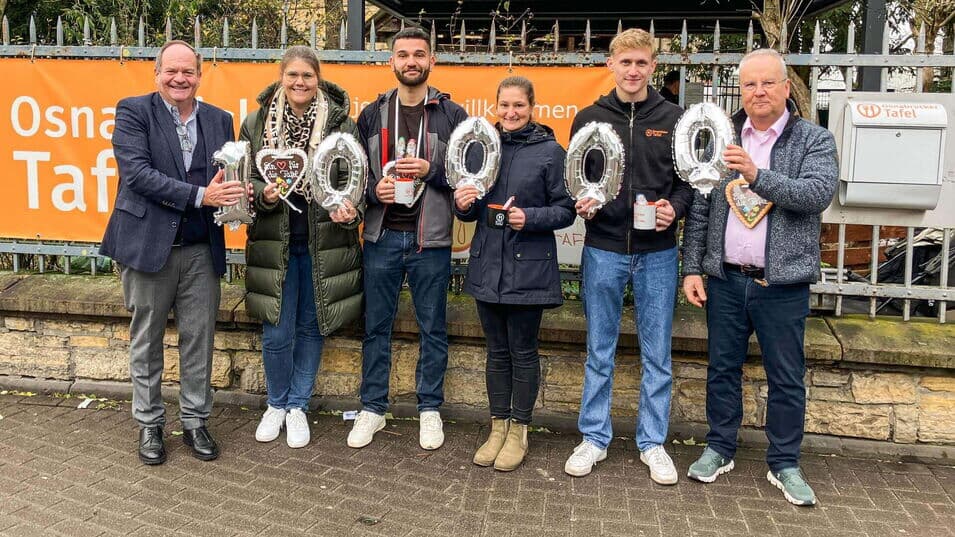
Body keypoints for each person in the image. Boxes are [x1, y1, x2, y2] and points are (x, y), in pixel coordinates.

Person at [681, 48, 838, 506]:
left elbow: (816, 194)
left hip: (782, 284)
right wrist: (693, 266)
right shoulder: (725, 136)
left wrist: (757, 174)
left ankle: (785, 462)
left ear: (786, 88)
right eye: (750, 84)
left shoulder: (813, 139)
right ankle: (719, 448)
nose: (759, 92)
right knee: (722, 369)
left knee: (786, 376)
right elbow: (703, 204)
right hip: (727, 280)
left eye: (768, 83)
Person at [101, 40, 244, 465]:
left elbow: (229, 177)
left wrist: (240, 195)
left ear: (200, 75)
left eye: (189, 72)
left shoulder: (221, 119)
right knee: (146, 339)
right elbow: (138, 175)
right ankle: (150, 424)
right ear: (157, 73)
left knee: (199, 339)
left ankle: (196, 421)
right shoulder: (133, 111)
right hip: (148, 247)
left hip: (201, 248)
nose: (180, 79)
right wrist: (203, 195)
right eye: (171, 71)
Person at [562, 28, 693, 485]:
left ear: (653, 66)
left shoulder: (674, 117)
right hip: (603, 248)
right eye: (625, 62)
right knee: (600, 350)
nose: (633, 71)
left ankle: (652, 442)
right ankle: (594, 438)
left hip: (658, 254)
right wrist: (584, 201)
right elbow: (574, 178)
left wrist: (672, 209)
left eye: (641, 63)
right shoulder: (588, 118)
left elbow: (687, 182)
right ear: (610, 65)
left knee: (657, 354)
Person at [349, 27, 468, 450]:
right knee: (375, 327)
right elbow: (355, 175)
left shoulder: (452, 115)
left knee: (432, 328)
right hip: (382, 236)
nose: (411, 61)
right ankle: (372, 409)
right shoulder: (373, 114)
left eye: (419, 54)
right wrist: (371, 191)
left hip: (429, 240)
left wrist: (430, 169)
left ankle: (430, 409)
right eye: (403, 54)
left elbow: (464, 176)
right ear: (392, 62)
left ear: (431, 61)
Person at [242, 46, 363, 449]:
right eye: (292, 75)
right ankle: (275, 403)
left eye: (307, 76)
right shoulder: (256, 123)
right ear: (282, 78)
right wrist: (266, 195)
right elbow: (242, 180)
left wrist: (352, 208)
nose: (299, 83)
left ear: (318, 79)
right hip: (274, 243)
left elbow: (356, 177)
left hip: (323, 243)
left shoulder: (342, 123)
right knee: (277, 330)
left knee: (311, 327)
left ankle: (297, 406)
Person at [453, 76, 575, 471]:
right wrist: (463, 202)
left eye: (518, 106)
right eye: (504, 105)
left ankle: (519, 430)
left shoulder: (551, 152)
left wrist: (530, 217)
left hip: (529, 268)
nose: (510, 113)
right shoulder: (485, 147)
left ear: (531, 106)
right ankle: (497, 426)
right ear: (496, 106)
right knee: (496, 353)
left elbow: (566, 209)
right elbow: (469, 209)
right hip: (488, 264)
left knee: (523, 353)